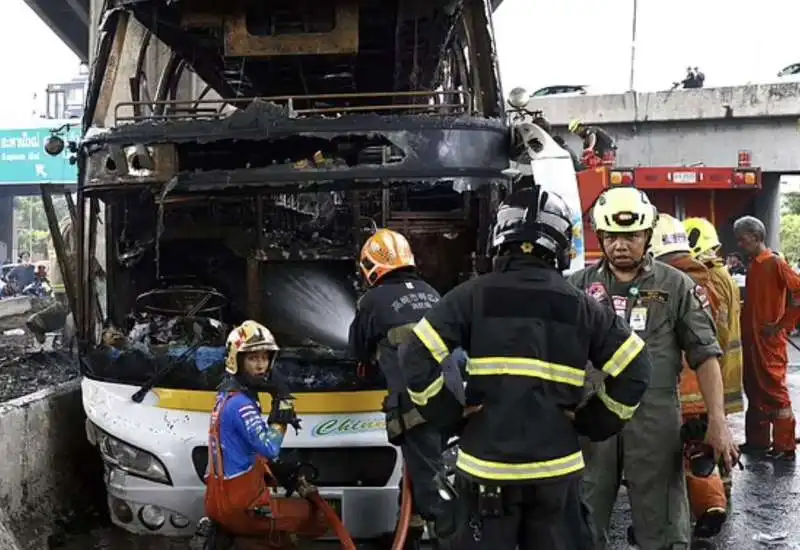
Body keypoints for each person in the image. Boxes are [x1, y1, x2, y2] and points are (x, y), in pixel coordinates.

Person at [402, 185, 653, 550]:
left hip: (486, 470)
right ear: (561, 245)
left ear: (499, 238)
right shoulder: (581, 306)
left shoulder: (471, 296)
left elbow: (415, 356)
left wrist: (449, 415)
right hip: (555, 471)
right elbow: (637, 367)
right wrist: (592, 421)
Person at [569, 187, 738, 550]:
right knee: (580, 519)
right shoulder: (577, 288)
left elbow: (705, 355)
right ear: (601, 236)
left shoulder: (677, 286)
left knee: (661, 522)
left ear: (647, 234)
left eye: (630, 236)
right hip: (591, 416)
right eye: (612, 236)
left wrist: (718, 422)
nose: (620, 245)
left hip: (656, 417)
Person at [348, 228, 447, 548]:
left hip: (415, 405)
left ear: (370, 265)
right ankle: (412, 531)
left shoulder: (372, 301)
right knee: (430, 471)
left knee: (433, 490)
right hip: (452, 402)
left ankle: (444, 536)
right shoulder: (432, 292)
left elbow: (358, 352)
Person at [203, 320, 328, 544]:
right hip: (241, 507)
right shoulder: (241, 405)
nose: (261, 365)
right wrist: (282, 412)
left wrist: (277, 470)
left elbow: (241, 450)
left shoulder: (225, 397)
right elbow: (269, 447)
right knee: (316, 518)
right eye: (253, 358)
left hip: (220, 500)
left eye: (264, 357)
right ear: (237, 361)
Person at [650, 214, 729, 542]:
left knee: (667, 460)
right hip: (704, 383)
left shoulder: (663, 286)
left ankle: (679, 519)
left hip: (673, 387)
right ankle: (712, 501)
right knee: (698, 451)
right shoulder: (708, 279)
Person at [683, 216, 744, 495]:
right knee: (717, 430)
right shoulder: (723, 275)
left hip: (713, 366)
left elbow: (711, 328)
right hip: (725, 364)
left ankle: (715, 494)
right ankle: (724, 484)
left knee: (707, 432)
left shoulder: (709, 278)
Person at [734, 216, 799, 460]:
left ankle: (784, 446)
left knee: (774, 392)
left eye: (743, 239)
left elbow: (798, 292)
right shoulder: (755, 264)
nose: (740, 244)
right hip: (753, 341)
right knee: (755, 389)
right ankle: (758, 441)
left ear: (755, 236)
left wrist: (783, 325)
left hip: (768, 343)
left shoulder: (774, 262)